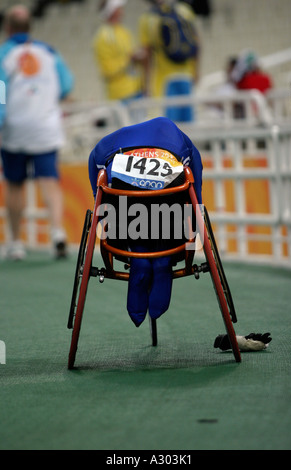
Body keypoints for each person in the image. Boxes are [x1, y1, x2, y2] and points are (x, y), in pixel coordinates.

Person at [88, 116, 203, 327]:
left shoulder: (102, 147)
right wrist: (194, 231)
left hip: (128, 210)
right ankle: (163, 262)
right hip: (168, 206)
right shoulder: (183, 141)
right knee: (179, 198)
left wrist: (108, 228)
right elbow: (196, 199)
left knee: (117, 198)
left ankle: (139, 258)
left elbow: (99, 201)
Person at [0, 4, 74, 260]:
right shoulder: (49, 52)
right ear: (30, 27)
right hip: (45, 126)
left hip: (15, 128)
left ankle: (16, 242)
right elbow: (66, 85)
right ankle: (58, 234)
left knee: (15, 184)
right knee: (50, 180)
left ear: (7, 28)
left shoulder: (3, 55)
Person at [138, 0, 201, 122]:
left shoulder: (147, 19)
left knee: (167, 129)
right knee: (188, 130)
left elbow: (147, 53)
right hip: (186, 76)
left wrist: (145, 85)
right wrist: (196, 71)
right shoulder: (185, 10)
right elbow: (197, 43)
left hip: (163, 81)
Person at [92, 0, 145, 103]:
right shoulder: (103, 37)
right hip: (120, 95)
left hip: (136, 90)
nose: (121, 11)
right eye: (118, 8)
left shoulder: (124, 31)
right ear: (112, 11)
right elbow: (107, 69)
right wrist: (129, 59)